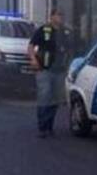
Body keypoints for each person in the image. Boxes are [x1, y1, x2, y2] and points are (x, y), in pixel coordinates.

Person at [28, 9, 71, 138]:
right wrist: (33, 59)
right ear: (51, 17)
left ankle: (50, 125)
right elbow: (31, 46)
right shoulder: (43, 30)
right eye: (58, 15)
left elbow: (70, 48)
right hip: (44, 69)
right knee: (44, 95)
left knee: (55, 98)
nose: (60, 18)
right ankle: (42, 127)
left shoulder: (65, 32)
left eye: (61, 15)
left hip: (60, 70)